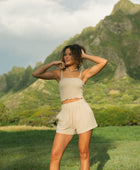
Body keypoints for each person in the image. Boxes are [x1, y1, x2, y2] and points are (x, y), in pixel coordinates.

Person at [32, 44, 108, 170]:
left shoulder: (82, 74)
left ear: (77, 56)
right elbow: (36, 73)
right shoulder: (58, 74)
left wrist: (84, 55)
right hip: (65, 113)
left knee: (84, 154)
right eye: (65, 54)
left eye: (70, 54)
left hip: (82, 111)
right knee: (55, 155)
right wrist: (52, 63)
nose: (66, 56)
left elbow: (103, 61)